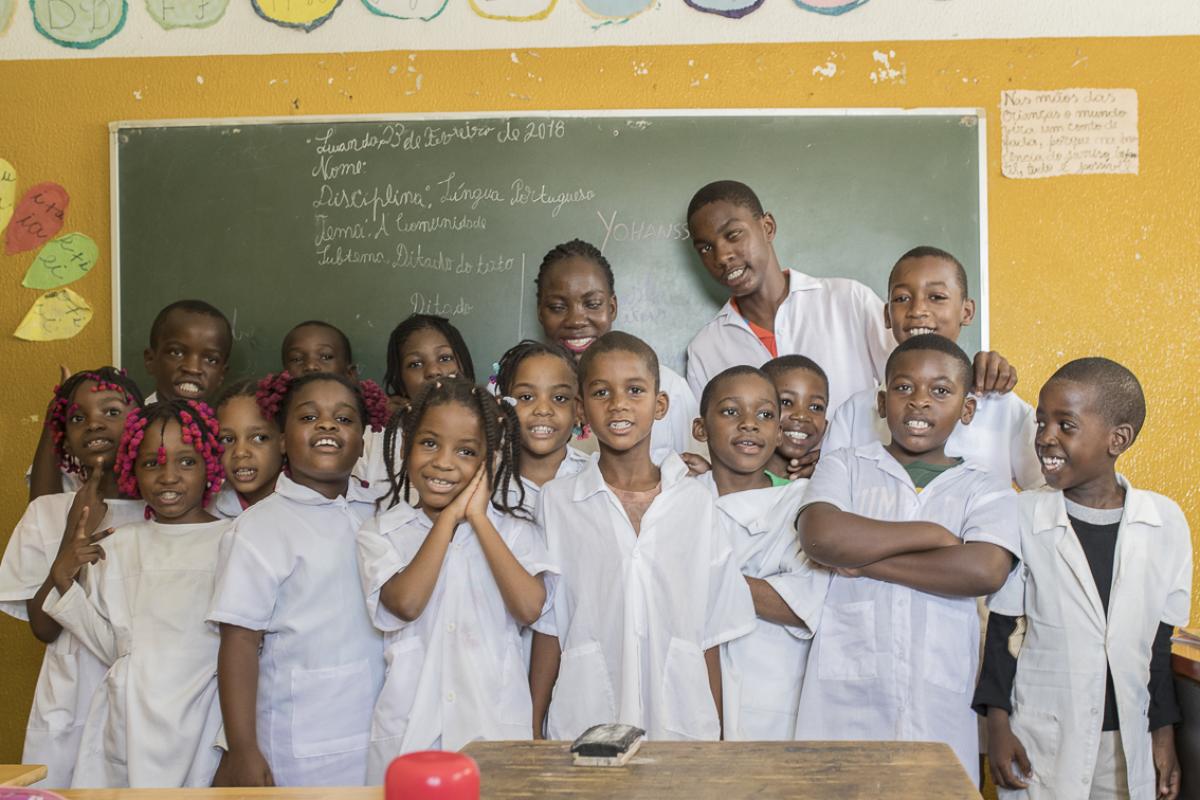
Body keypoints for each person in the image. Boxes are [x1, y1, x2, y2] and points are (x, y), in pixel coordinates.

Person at [793, 333, 1019, 782]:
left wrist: (867, 562)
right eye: (903, 388)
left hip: (939, 706)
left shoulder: (984, 486)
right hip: (844, 705)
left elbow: (983, 569)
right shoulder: (846, 465)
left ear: (967, 409)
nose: (919, 402)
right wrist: (933, 536)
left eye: (940, 390)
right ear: (881, 402)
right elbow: (820, 535)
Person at [974, 358, 1192, 800]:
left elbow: (1157, 647)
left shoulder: (1165, 522)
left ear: (1118, 439)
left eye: (1065, 425)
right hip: (1041, 739)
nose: (1045, 437)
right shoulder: (1021, 516)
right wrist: (997, 726)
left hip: (1126, 745)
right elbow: (1003, 634)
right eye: (1041, 422)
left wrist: (1162, 734)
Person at [529, 332, 755, 741]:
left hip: (681, 718)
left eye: (635, 390)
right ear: (581, 408)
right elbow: (549, 628)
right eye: (601, 392)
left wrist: (720, 740)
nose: (618, 404)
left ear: (660, 404)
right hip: (586, 713)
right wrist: (532, 728)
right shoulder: (558, 503)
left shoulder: (695, 503)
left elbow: (710, 635)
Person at [357, 379, 554, 780]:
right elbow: (406, 603)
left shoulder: (512, 530)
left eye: (466, 452)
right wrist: (449, 518)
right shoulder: (382, 531)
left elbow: (530, 607)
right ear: (406, 444)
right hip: (412, 733)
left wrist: (478, 518)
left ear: (491, 461)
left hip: (493, 728)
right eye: (429, 443)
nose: (444, 462)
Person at [684, 182, 1015, 412]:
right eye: (706, 248)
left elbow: (919, 373)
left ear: (768, 227)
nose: (722, 255)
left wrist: (977, 371)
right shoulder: (706, 348)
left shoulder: (847, 300)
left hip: (861, 494)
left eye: (733, 235)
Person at [207, 372, 390, 787]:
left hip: (378, 732)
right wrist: (243, 750)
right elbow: (238, 643)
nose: (327, 425)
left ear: (363, 440)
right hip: (300, 741)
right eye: (309, 417)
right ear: (284, 439)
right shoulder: (259, 529)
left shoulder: (380, 512)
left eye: (343, 419)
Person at [44, 399, 230, 787]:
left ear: (210, 465)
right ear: (131, 468)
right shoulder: (118, 545)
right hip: (129, 717)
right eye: (151, 463)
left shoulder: (235, 538)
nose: (168, 477)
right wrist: (64, 582)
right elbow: (112, 646)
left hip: (206, 716)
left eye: (186, 461)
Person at [0, 369, 145, 788]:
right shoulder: (44, 513)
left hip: (145, 700)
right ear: (64, 438)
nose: (94, 423)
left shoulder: (168, 512)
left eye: (112, 411)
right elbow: (43, 627)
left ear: (142, 422)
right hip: (69, 700)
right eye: (77, 418)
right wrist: (70, 538)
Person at [823, 246, 1041, 489]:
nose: (917, 310)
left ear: (966, 312)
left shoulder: (1003, 407)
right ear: (887, 315)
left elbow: (1046, 492)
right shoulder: (855, 413)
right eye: (902, 298)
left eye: (936, 297)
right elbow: (827, 501)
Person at [691, 365, 816, 740]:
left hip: (774, 694)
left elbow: (801, 604)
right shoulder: (677, 498)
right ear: (700, 429)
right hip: (689, 692)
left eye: (764, 415)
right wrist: (759, 587)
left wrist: (695, 578)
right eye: (731, 412)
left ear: (778, 432)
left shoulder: (801, 503)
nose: (749, 424)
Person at [28, 300, 233, 501]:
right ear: (150, 360)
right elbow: (42, 510)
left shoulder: (230, 436)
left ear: (222, 374)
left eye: (211, 359)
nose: (193, 368)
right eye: (176, 352)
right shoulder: (115, 426)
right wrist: (57, 415)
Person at [534, 239, 700, 464]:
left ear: (611, 308)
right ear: (541, 313)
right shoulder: (510, 386)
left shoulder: (668, 386)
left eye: (592, 304)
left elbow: (692, 471)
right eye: (557, 307)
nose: (575, 321)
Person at [277, 319, 391, 491]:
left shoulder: (376, 440)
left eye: (326, 356)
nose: (311, 366)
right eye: (297, 359)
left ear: (350, 374)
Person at [369, 314, 476, 486]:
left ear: (465, 366)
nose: (433, 371)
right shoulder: (374, 439)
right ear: (401, 382)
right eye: (415, 364)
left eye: (445, 358)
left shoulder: (493, 431)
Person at [493, 339, 592, 513]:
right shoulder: (487, 478)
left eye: (559, 398)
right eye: (526, 397)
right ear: (504, 407)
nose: (543, 410)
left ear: (578, 409)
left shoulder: (595, 476)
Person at [213, 378, 285, 517]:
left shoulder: (309, 508)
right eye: (227, 439)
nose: (240, 452)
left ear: (283, 442)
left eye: (259, 438)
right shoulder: (206, 514)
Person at [762, 355, 829, 481]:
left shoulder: (829, 483)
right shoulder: (735, 481)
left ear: (825, 424)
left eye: (815, 407)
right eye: (786, 402)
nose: (802, 416)